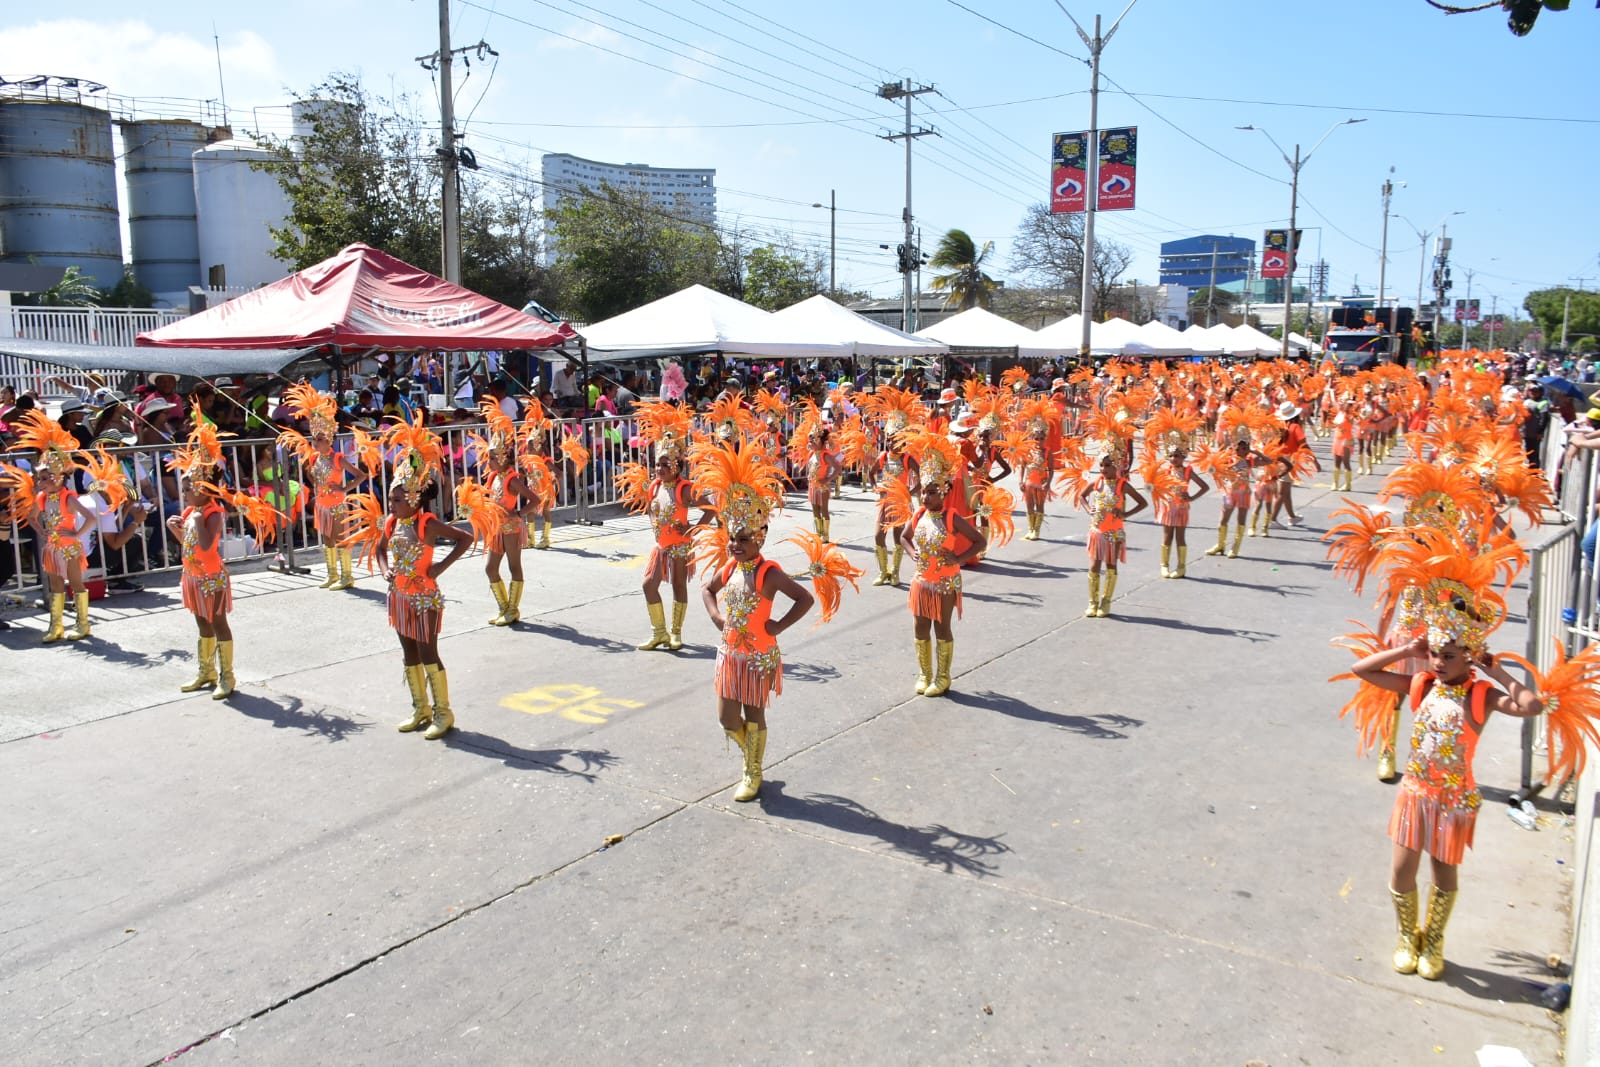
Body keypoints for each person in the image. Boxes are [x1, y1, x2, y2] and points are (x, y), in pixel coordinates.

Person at [698, 436, 845, 803]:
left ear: (760, 538)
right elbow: (706, 589)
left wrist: (777, 626)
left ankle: (752, 771)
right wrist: (717, 617)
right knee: (727, 720)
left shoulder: (769, 573)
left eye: (744, 538)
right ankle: (753, 760)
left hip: (759, 654)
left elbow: (805, 598)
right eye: (732, 537)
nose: (735, 543)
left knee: (754, 714)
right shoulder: (730, 564)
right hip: (729, 654)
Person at [347, 416, 472, 740]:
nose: (392, 505)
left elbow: (465, 538)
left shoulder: (426, 523)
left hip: (424, 598)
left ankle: (444, 712)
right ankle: (421, 709)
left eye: (397, 500)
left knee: (429, 653)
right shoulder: (391, 523)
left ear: (414, 499)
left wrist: (439, 568)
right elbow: (379, 548)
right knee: (409, 653)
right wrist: (385, 568)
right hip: (399, 598)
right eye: (391, 499)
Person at [166, 417, 279, 700]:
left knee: (218, 623)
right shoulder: (195, 512)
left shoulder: (213, 513)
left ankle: (227, 675)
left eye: (189, 488)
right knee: (201, 623)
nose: (185, 494)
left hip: (212, 578)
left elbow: (206, 545)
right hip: (192, 576)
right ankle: (207, 671)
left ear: (205, 487)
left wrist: (195, 520)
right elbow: (190, 547)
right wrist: (176, 530)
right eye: (184, 490)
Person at [618, 402, 711, 652]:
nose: (659, 469)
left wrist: (692, 530)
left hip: (680, 546)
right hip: (661, 546)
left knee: (679, 587)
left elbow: (711, 509)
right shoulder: (655, 486)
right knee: (649, 585)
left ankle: (676, 633)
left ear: (677, 466)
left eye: (664, 465)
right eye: (657, 464)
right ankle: (659, 632)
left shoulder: (685, 488)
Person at [900, 431, 986, 697]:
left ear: (944, 491)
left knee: (941, 627)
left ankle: (943, 676)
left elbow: (979, 541)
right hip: (921, 581)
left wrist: (959, 559)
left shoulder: (952, 517)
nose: (925, 497)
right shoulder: (918, 515)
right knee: (920, 627)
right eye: (924, 492)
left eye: (932, 492)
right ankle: (925, 674)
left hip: (945, 581)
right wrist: (912, 552)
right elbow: (904, 537)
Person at [0, 412, 95, 642]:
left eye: (50, 477)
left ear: (61, 477)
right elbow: (32, 517)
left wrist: (77, 534)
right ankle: (56, 625)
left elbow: (90, 517)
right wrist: (41, 531)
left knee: (75, 583)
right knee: (55, 585)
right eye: (42, 479)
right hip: (52, 548)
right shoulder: (43, 498)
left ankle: (83, 624)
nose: (45, 482)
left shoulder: (68, 497)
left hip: (69, 546)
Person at [477, 401, 534, 625]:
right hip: (495, 528)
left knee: (513, 567)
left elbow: (535, 499)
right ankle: (503, 607)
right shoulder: (493, 477)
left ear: (501, 457)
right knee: (490, 568)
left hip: (510, 528)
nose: (487, 461)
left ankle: (513, 610)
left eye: (491, 457)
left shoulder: (512, 478)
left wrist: (518, 514)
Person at [1079, 450, 1148, 618]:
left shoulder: (1122, 485)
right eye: (1101, 465)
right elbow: (1081, 496)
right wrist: (1089, 509)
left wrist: (1125, 515)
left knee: (1111, 566)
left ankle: (1106, 601)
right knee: (1094, 566)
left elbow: (1142, 502)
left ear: (1116, 466)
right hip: (1097, 531)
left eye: (1107, 465)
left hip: (1114, 533)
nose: (1103, 469)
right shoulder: (1097, 483)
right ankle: (1092, 602)